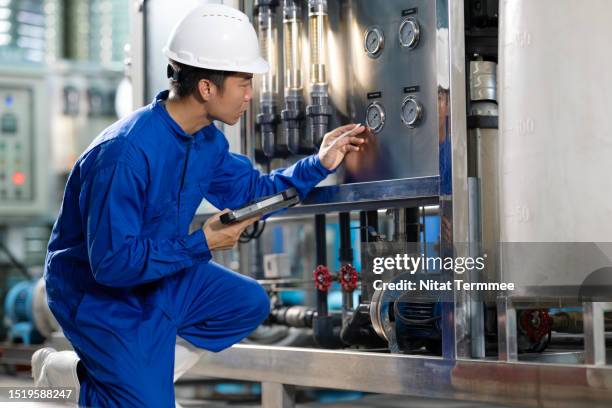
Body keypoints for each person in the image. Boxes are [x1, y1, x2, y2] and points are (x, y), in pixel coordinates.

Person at [31, 4, 366, 407]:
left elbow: (252, 193)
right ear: (207, 88)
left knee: (247, 303)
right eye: (243, 82)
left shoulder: (207, 140)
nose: (250, 94)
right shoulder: (124, 154)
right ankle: (74, 379)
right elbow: (113, 263)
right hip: (98, 293)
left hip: (160, 273)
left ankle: (130, 376)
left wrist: (319, 163)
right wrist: (200, 245)